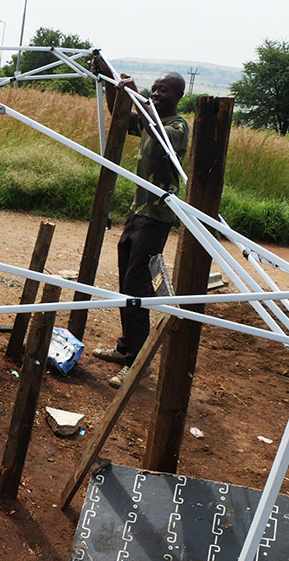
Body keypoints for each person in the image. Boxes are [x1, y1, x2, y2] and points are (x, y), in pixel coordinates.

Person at [91, 58, 189, 388]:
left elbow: (161, 138)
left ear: (178, 96)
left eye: (164, 90)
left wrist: (140, 100)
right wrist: (109, 82)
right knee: (126, 282)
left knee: (138, 286)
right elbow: (120, 116)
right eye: (154, 88)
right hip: (137, 212)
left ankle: (138, 362)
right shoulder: (150, 120)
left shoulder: (176, 125)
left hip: (157, 216)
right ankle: (127, 348)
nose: (157, 93)